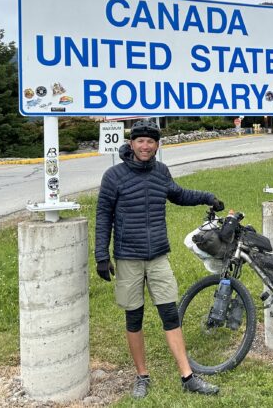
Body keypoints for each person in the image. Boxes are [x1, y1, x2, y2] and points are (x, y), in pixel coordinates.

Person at [95, 119, 224, 399]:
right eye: (140, 140)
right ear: (131, 144)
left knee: (169, 313)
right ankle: (142, 375)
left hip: (158, 257)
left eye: (151, 141)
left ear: (156, 146)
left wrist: (207, 198)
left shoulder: (160, 171)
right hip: (128, 257)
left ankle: (187, 376)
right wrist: (101, 255)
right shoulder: (113, 176)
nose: (145, 145)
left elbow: (178, 194)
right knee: (134, 317)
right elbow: (103, 215)